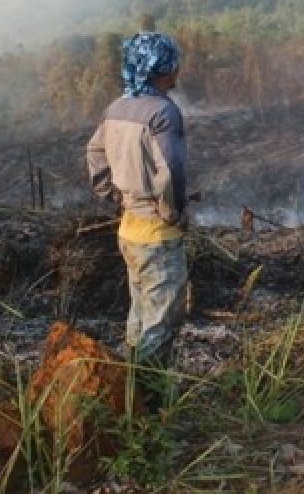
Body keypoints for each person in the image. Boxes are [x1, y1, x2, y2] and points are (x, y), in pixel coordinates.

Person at [86, 30, 189, 368]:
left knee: (140, 313)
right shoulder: (163, 113)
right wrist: (172, 212)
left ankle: (130, 397)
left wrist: (113, 195)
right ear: (162, 67)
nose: (178, 68)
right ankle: (146, 397)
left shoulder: (117, 107)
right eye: (173, 62)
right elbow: (170, 170)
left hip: (129, 230)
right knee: (161, 323)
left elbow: (95, 152)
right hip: (157, 235)